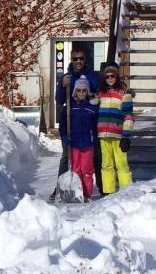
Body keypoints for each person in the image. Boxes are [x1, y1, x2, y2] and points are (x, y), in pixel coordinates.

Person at [51, 46, 100, 200]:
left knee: (94, 158)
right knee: (66, 157)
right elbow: (59, 100)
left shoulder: (92, 76)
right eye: (75, 59)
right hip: (71, 119)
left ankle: (99, 187)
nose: (78, 61)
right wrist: (61, 85)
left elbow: (100, 93)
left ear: (85, 60)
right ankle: (60, 188)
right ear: (71, 60)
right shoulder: (66, 77)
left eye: (81, 59)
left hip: (87, 121)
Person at [58, 75, 99, 201]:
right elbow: (63, 124)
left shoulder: (92, 107)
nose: (81, 92)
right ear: (75, 91)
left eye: (84, 90)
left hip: (88, 143)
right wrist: (64, 136)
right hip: (74, 143)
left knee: (87, 170)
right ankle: (76, 193)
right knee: (76, 170)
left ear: (87, 91)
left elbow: (97, 125)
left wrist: (95, 140)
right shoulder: (70, 107)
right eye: (79, 90)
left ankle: (87, 194)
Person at [96, 62, 134, 194]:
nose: (110, 78)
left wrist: (126, 136)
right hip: (103, 135)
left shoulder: (124, 94)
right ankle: (108, 191)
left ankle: (127, 191)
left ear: (117, 77)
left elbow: (128, 116)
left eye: (113, 76)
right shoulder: (101, 94)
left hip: (118, 135)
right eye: (107, 76)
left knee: (121, 164)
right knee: (106, 165)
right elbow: (90, 103)